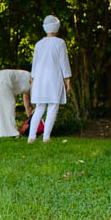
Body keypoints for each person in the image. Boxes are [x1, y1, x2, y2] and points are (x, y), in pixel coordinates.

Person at [28, 14, 72, 143]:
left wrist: (33, 81)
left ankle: (31, 137)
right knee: (53, 107)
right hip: (54, 79)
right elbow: (64, 62)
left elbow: (34, 66)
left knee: (39, 108)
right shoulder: (60, 43)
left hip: (40, 80)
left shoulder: (39, 44)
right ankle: (46, 137)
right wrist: (67, 79)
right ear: (57, 27)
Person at [0, 69, 32, 137]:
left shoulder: (29, 78)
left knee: (5, 106)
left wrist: (27, 109)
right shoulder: (34, 79)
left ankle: (5, 133)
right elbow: (34, 96)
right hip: (4, 78)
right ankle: (12, 133)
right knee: (9, 105)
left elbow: (26, 94)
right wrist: (35, 108)